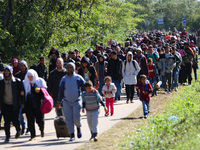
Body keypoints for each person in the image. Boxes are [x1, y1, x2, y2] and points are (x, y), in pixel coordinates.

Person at [57, 62, 85, 142]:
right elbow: (61, 91)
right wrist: (59, 102)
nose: (69, 69)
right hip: (66, 102)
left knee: (76, 118)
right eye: (68, 67)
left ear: (74, 68)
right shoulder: (64, 79)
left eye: (71, 67)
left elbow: (85, 87)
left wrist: (92, 90)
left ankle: (78, 127)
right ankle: (72, 135)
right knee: (68, 119)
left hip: (76, 101)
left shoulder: (78, 78)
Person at [0, 65, 24, 143]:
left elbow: (22, 92)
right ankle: (7, 136)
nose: (6, 72)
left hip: (14, 104)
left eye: (8, 71)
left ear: (10, 72)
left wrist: (22, 102)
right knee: (6, 121)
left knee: (15, 120)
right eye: (5, 71)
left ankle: (18, 130)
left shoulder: (17, 81)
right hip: (5, 104)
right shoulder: (1, 82)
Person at [22, 69, 47, 141]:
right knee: (30, 120)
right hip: (29, 104)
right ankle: (32, 134)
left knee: (39, 119)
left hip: (38, 103)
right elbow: (23, 92)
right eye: (29, 76)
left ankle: (41, 130)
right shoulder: (25, 82)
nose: (30, 78)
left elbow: (45, 91)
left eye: (31, 76)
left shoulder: (40, 81)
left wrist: (40, 90)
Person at [15, 60, 29, 135]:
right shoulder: (17, 75)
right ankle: (23, 126)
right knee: (20, 114)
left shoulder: (29, 74)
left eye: (24, 65)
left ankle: (29, 128)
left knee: (29, 113)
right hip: (20, 97)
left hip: (28, 96)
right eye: (21, 65)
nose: (23, 67)